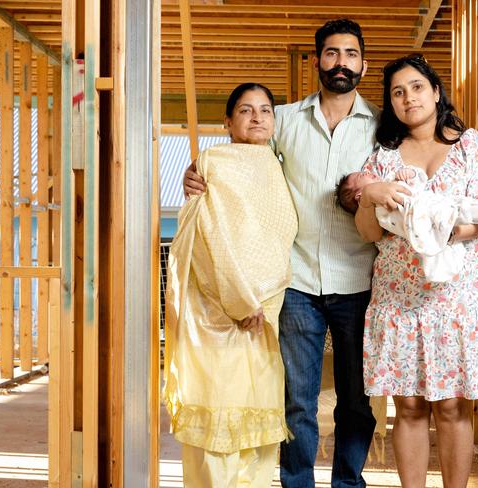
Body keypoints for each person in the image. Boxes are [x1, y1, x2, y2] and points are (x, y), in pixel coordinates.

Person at [183, 19, 478, 488]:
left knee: (358, 401)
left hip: (361, 279)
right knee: (298, 399)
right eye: (331, 54)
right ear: (317, 61)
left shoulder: (384, 127)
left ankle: (348, 483)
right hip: (297, 280)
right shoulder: (285, 120)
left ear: (362, 63)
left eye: (350, 54)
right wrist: (198, 171)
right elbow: (243, 150)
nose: (341, 63)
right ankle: (298, 483)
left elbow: (444, 146)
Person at [353, 54, 478, 488]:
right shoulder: (382, 160)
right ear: (390, 103)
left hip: (457, 298)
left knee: (451, 407)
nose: (409, 98)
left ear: (436, 92)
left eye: (417, 87)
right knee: (407, 407)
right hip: (400, 300)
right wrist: (371, 195)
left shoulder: (471, 148)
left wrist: (422, 228)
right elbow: (369, 232)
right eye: (398, 92)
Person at [164, 83, 298, 487]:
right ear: (227, 121)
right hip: (221, 314)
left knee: (257, 432)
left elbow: (277, 236)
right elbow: (208, 237)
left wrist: (262, 303)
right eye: (245, 110)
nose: (257, 117)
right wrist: (240, 301)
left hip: (266, 314)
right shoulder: (213, 163)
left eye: (265, 110)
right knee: (217, 425)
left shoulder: (278, 164)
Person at [335, 166, 478, 282]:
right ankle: (469, 216)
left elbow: (417, 183)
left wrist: (409, 174)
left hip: (430, 203)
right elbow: (392, 224)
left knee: (454, 206)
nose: (367, 172)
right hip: (419, 217)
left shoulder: (389, 179)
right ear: (359, 196)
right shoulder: (378, 210)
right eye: (361, 176)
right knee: (444, 217)